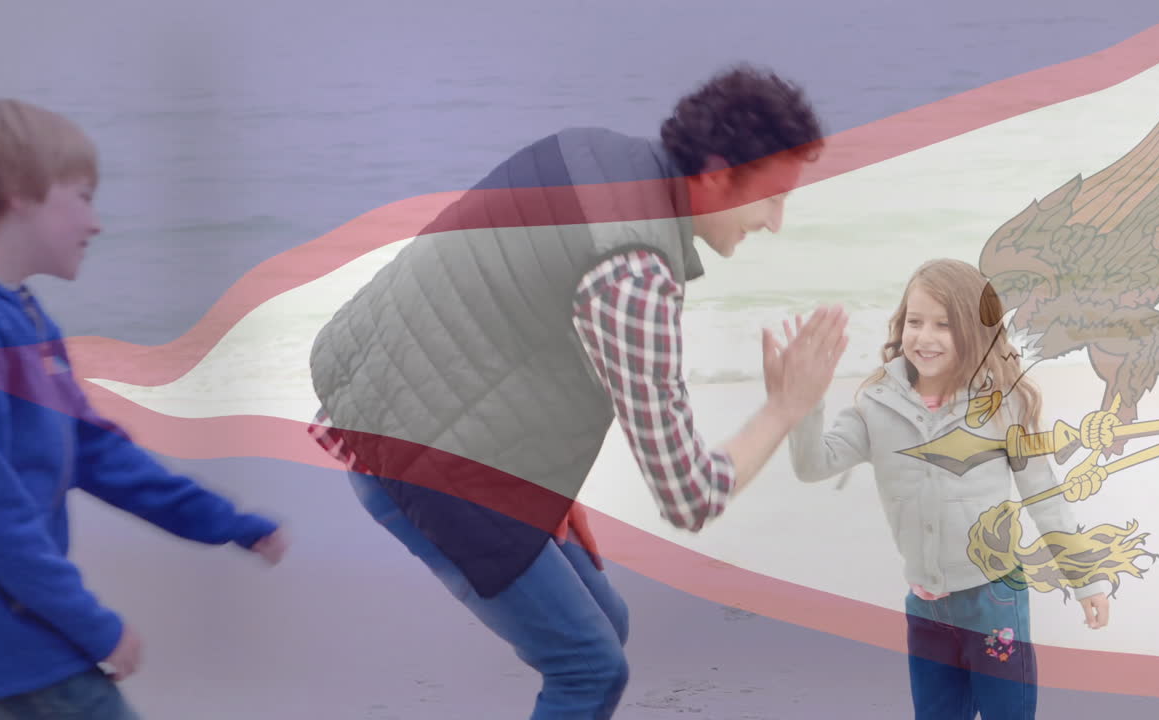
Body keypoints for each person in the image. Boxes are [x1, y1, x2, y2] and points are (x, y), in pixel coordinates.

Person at [307, 63, 848, 719]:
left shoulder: (589, 153)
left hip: (378, 395)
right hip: (413, 459)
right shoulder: (634, 272)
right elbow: (689, 495)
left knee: (607, 620)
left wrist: (539, 479)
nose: (775, 221)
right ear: (713, 173)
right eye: (770, 197)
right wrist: (785, 407)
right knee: (589, 668)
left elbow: (491, 302)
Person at [0, 98, 288, 720]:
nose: (97, 223)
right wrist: (91, 624)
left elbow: (97, 451)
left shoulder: (23, 316)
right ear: (17, 192)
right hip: (9, 652)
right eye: (83, 196)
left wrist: (224, 521)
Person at [784, 258, 1112, 720]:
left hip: (994, 599)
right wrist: (805, 401)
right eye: (915, 322)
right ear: (900, 326)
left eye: (944, 325)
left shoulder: (1002, 405)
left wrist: (1086, 581)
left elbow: (1044, 496)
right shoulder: (876, 404)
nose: (925, 336)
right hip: (925, 608)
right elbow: (812, 464)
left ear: (974, 333)